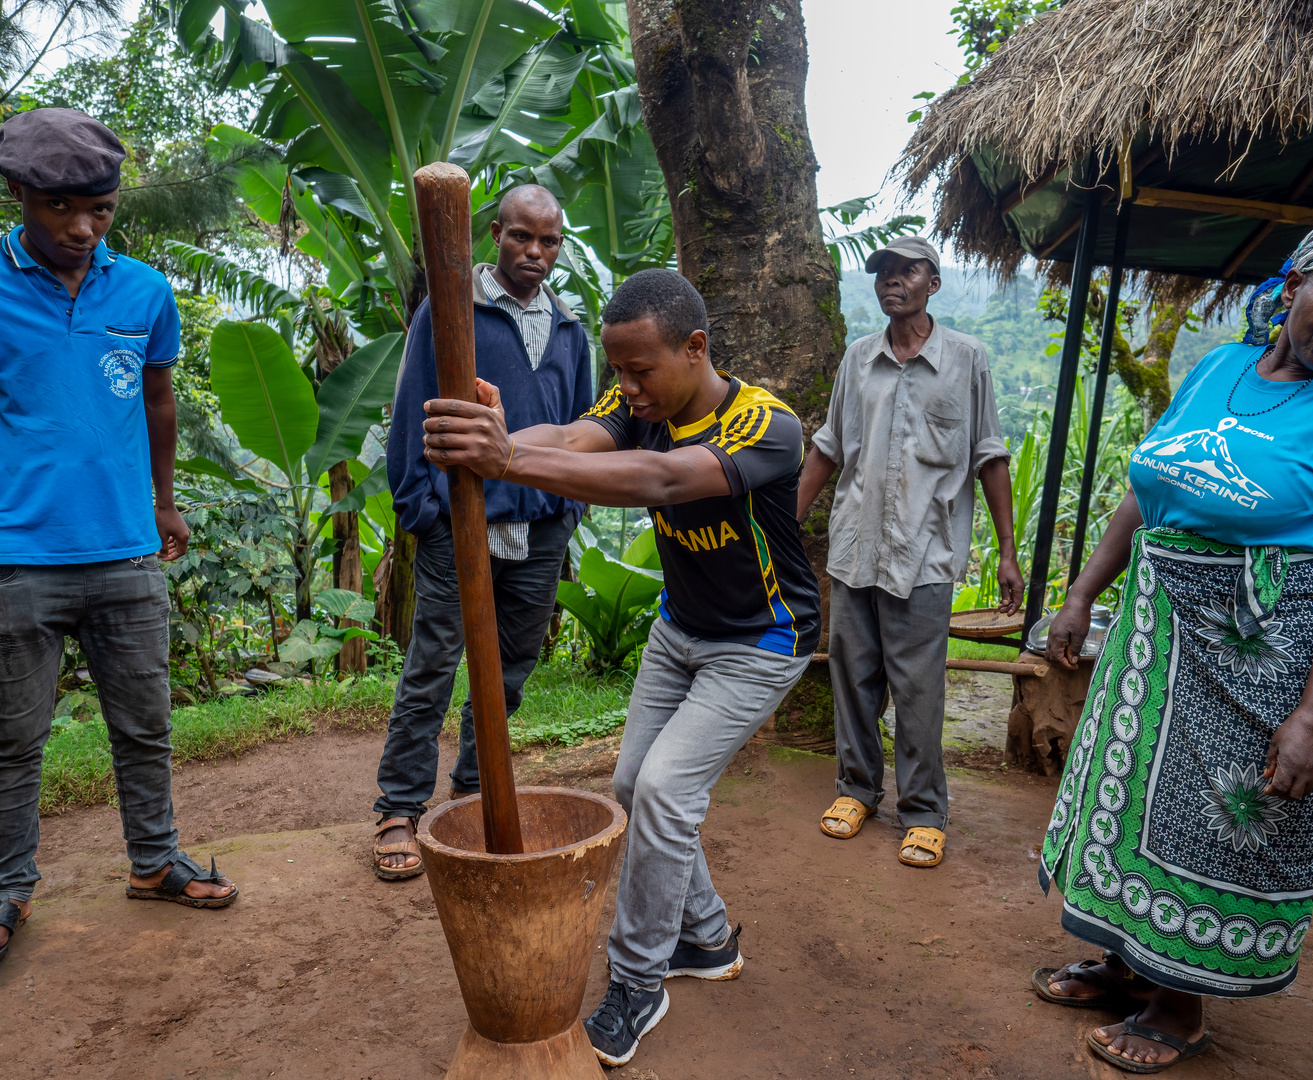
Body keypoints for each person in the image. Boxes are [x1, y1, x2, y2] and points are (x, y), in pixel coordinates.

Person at [1031, 216, 1313, 1072]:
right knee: (1131, 797)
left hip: (1263, 664)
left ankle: (1180, 1004)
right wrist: (1082, 592)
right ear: (1291, 290)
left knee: (1218, 822)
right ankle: (1127, 966)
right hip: (1159, 641)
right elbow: (1146, 488)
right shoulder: (1219, 368)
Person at [418, 268, 820, 1066]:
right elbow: (569, 440)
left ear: (695, 349)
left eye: (642, 370)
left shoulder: (766, 426)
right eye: (619, 371)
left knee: (666, 791)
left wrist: (506, 461)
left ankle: (638, 981)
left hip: (761, 642)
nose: (627, 388)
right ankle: (704, 936)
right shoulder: (637, 404)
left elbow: (661, 480)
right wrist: (487, 438)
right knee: (635, 783)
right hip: (681, 634)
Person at [0, 108, 239, 962]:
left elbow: (158, 398)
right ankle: (6, 891)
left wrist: (164, 503)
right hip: (17, 558)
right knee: (13, 740)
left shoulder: (142, 290)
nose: (81, 228)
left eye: (99, 209)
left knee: (144, 725)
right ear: (19, 194)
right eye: (61, 207)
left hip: (128, 550)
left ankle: (153, 861)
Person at [372, 185, 592, 879]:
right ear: (495, 233)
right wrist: (424, 508)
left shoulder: (567, 327)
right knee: (434, 662)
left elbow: (584, 425)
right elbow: (413, 414)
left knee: (512, 670)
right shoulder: (450, 309)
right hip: (459, 523)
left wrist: (571, 506)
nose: (535, 252)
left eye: (549, 241)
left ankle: (474, 790)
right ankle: (399, 809)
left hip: (541, 526)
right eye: (522, 237)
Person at [796, 236, 1024, 868]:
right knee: (853, 676)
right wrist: (786, 524)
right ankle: (857, 790)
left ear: (934, 283)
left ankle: (923, 811)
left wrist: (1008, 552)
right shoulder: (858, 360)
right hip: (855, 547)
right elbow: (828, 447)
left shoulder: (966, 359)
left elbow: (989, 457)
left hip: (926, 552)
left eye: (907, 272)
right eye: (884, 273)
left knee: (919, 687)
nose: (892, 281)